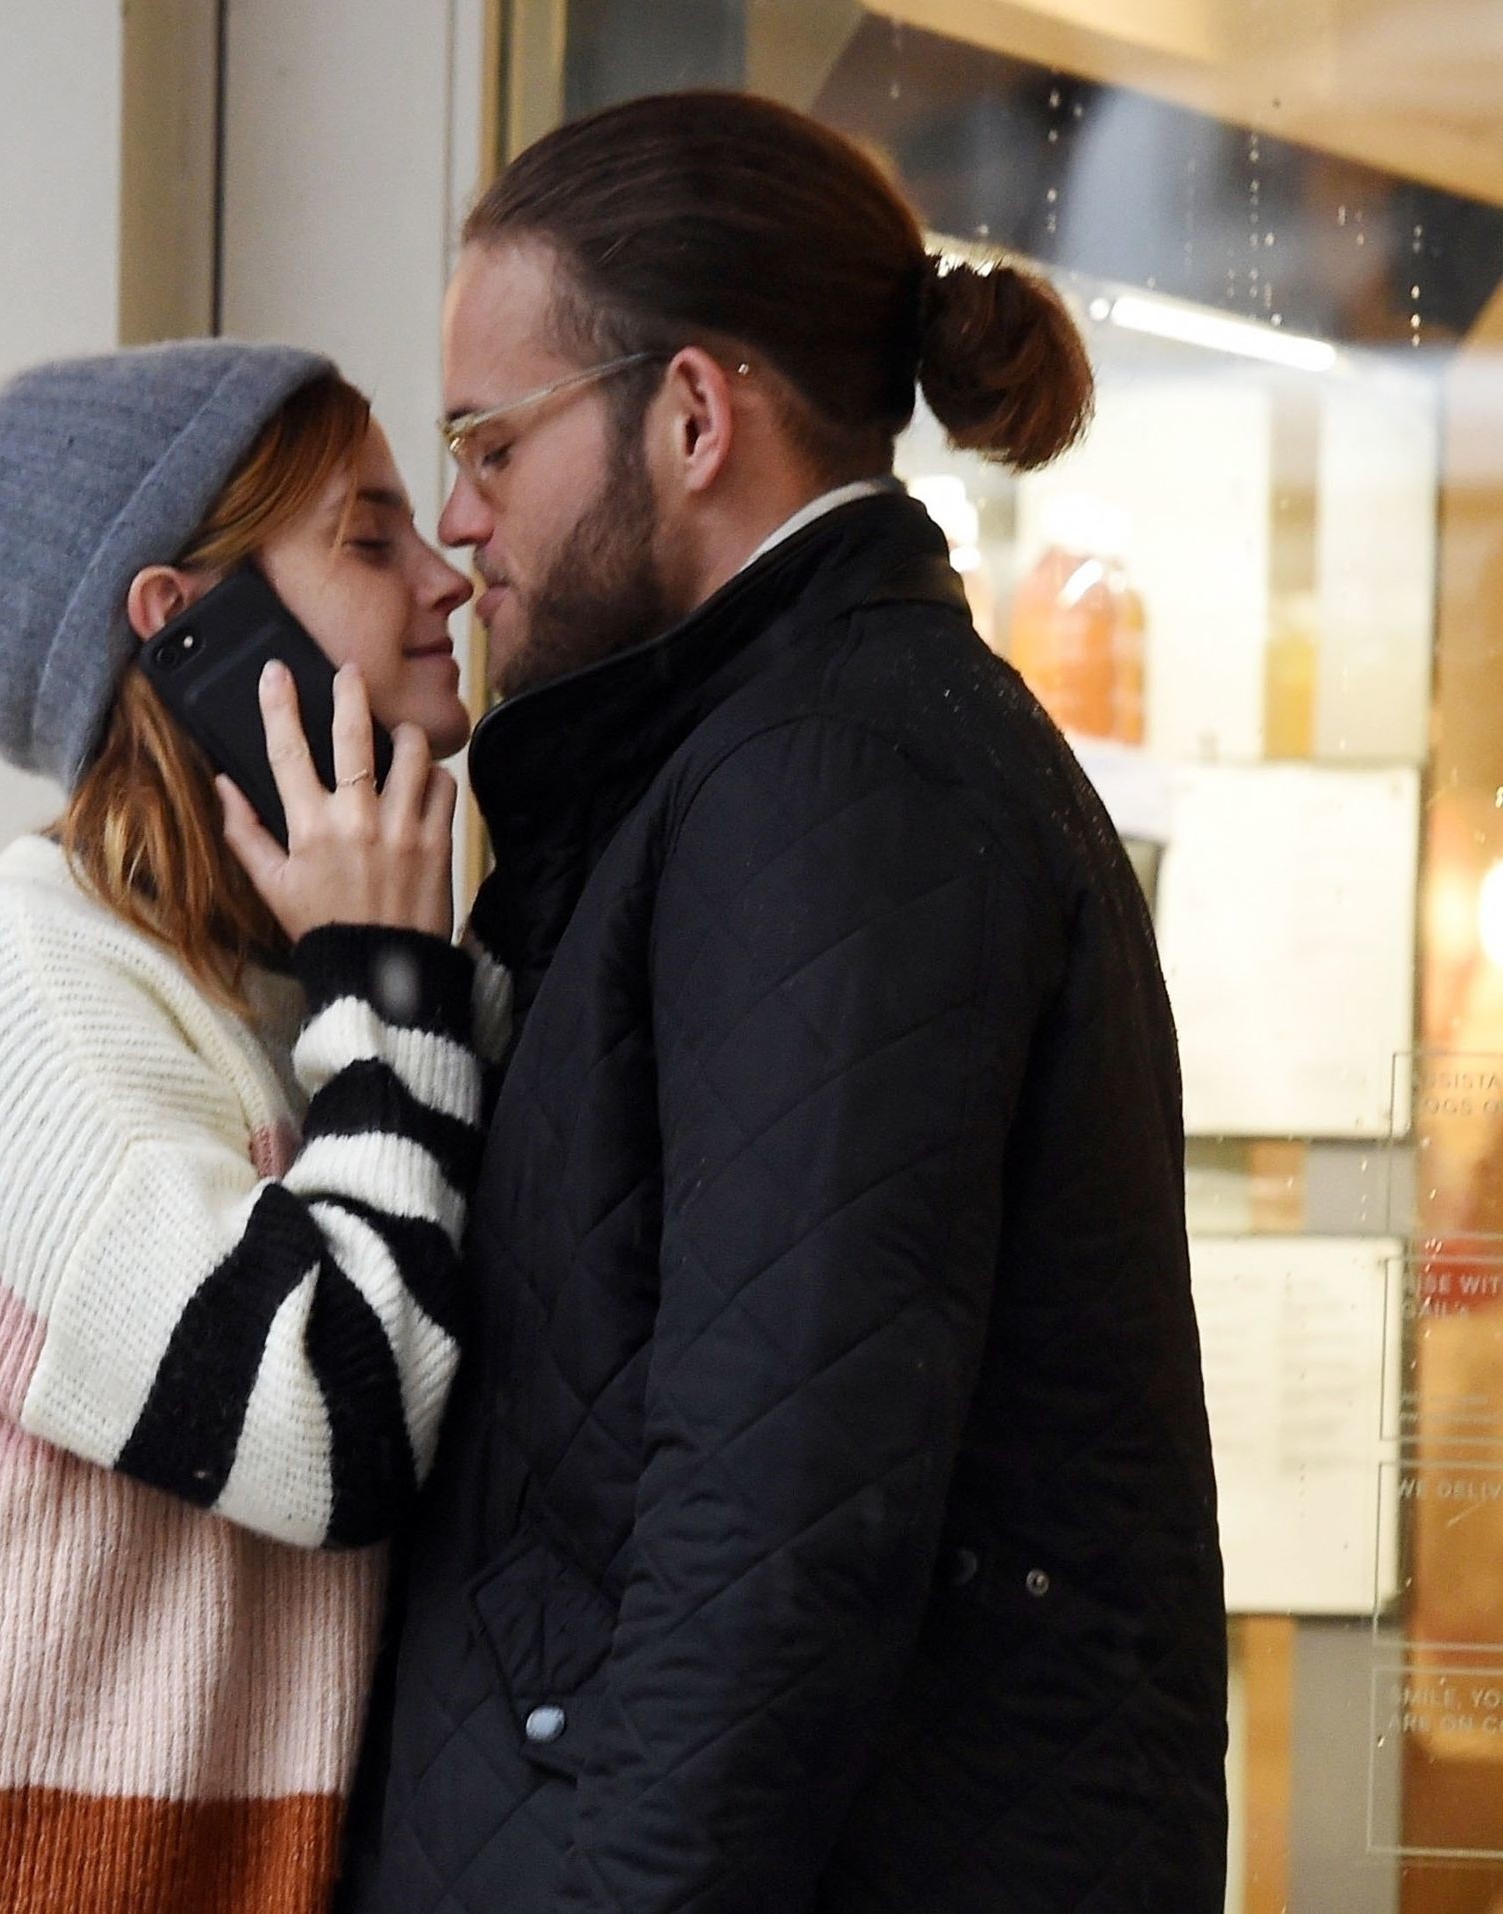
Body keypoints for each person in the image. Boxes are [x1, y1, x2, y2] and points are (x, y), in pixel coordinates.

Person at [328, 91, 1228, 1914]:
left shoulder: (831, 783)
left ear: (690, 415)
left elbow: (774, 1538)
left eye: (490, 443)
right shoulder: (764, 759)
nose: (461, 519)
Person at [0, 339, 487, 1914]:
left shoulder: (293, 991)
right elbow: (332, 1430)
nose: (449, 577)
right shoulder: (4, 989)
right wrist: (391, 972)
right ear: (185, 626)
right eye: (370, 539)